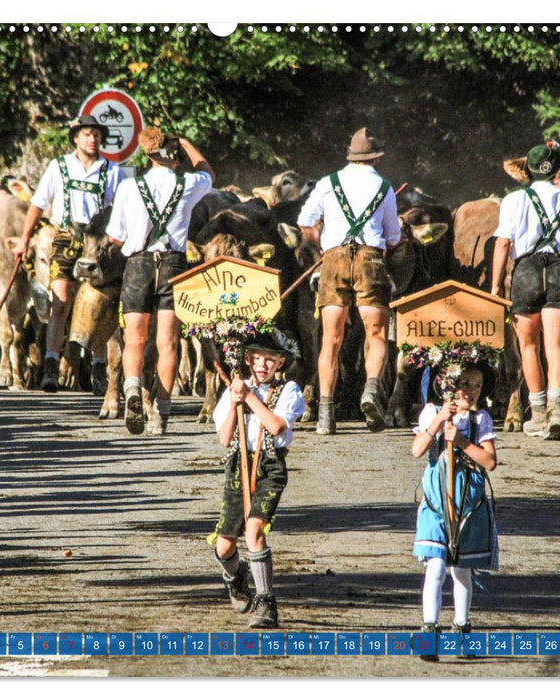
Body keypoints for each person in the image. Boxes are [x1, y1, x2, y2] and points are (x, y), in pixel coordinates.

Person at [106, 126, 214, 435]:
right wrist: (189, 144)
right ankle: (161, 413)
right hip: (173, 265)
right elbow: (208, 171)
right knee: (167, 343)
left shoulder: (129, 187)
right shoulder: (190, 183)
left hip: (139, 264)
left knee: (135, 340)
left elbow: (115, 236)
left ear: (147, 155)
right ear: (176, 157)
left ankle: (131, 394)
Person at [297, 127, 404, 435]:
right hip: (371, 260)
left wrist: (323, 243)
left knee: (331, 338)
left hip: (334, 259)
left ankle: (326, 414)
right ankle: (371, 391)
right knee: (377, 334)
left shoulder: (328, 183)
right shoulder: (384, 188)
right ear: (376, 158)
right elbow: (393, 236)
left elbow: (304, 222)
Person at [12, 116, 127, 392]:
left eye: (97, 135)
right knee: (60, 303)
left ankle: (99, 368)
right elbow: (38, 205)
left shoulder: (112, 169)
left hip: (98, 242)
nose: (93, 139)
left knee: (98, 305)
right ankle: (51, 366)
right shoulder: (58, 166)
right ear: (75, 138)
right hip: (65, 237)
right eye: (87, 134)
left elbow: (121, 209)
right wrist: (24, 239)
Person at [490, 142, 560, 440]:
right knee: (556, 346)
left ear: (529, 169)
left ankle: (536, 415)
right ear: (556, 168)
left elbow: (502, 244)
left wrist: (496, 285)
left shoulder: (513, 201)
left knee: (528, 347)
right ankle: (556, 412)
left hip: (525, 273)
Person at [210, 331, 305, 629]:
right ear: (248, 359)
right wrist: (237, 401)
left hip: (270, 466)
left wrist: (250, 398)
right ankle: (235, 575)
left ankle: (266, 602)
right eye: (257, 358)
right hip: (239, 465)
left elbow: (276, 426)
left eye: (270, 360)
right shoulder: (235, 390)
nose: (263, 365)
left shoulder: (289, 390)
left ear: (280, 362)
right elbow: (225, 439)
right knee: (225, 546)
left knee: (255, 531)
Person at [409, 360, 498, 660]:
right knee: (435, 566)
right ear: (446, 385)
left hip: (467, 500)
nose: (470, 392)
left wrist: (461, 441)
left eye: (477, 386)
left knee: (462, 569)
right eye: (465, 384)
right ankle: (429, 629)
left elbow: (489, 462)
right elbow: (417, 449)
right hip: (436, 498)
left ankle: (461, 627)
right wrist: (439, 422)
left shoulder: (480, 420)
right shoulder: (433, 413)